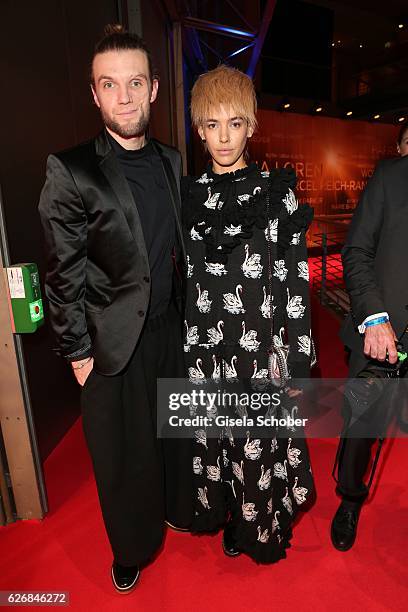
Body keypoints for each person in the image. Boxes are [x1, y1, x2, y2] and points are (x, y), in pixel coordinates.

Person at [38, 24, 191, 593]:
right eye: (110, 84)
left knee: (173, 435)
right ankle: (131, 547)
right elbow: (61, 272)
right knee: (121, 457)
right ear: (95, 93)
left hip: (170, 331)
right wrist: (78, 350)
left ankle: (177, 509)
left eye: (134, 83)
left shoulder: (174, 162)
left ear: (153, 89)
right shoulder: (71, 169)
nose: (124, 97)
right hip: (109, 343)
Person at [182, 65, 315, 564]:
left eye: (234, 123)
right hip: (208, 351)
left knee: (257, 444)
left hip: (259, 350)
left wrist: (298, 356)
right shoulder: (188, 195)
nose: (223, 136)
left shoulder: (276, 191)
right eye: (212, 124)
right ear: (198, 129)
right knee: (219, 439)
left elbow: (295, 281)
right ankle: (231, 516)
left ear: (252, 126)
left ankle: (260, 527)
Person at [331, 151, 408, 551]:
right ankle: (350, 498)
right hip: (383, 335)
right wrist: (375, 317)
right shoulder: (391, 176)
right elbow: (356, 250)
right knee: (362, 429)